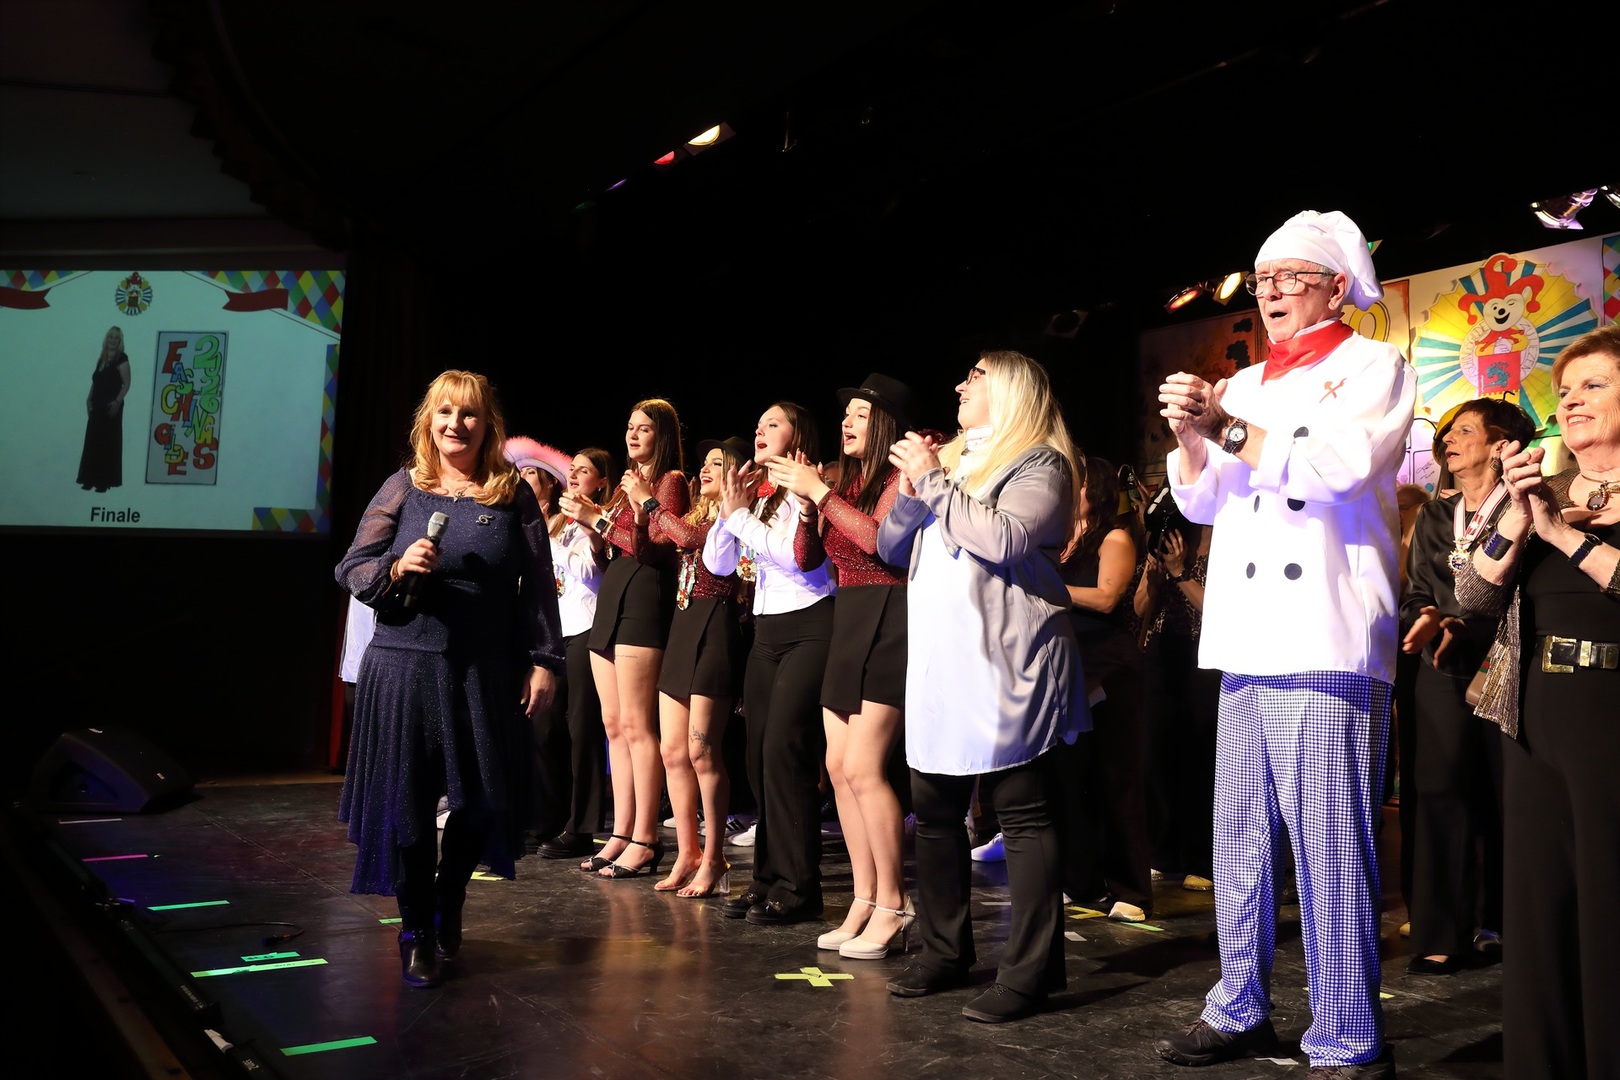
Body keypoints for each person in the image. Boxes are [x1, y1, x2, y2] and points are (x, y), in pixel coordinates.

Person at [1153, 210, 1416, 1077]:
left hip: (1324, 633)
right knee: (1238, 839)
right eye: (1262, 280)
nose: (1269, 293)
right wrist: (1191, 435)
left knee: (1330, 848)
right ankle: (1238, 1005)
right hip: (1246, 635)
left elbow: (1338, 470)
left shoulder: (1375, 366)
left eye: (1288, 278)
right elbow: (1201, 502)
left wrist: (1223, 427)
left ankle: (1347, 1036)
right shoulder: (1243, 383)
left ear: (1336, 287)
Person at [334, 370, 564, 988]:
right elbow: (352, 567)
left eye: (468, 414)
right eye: (444, 412)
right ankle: (415, 931)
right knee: (408, 804)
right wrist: (396, 564)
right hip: (403, 666)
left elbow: (539, 589)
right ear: (427, 421)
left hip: (483, 671)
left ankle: (449, 896)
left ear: (487, 425)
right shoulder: (403, 487)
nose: (454, 424)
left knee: (480, 800)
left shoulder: (511, 495)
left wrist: (545, 660)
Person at [877, 350, 1088, 1024]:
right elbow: (889, 546)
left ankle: (1030, 975)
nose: (959, 384)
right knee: (935, 811)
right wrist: (912, 490)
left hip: (1009, 659)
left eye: (975, 376)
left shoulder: (1040, 463)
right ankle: (944, 952)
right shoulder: (953, 460)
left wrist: (934, 483)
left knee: (1022, 813)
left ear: (1013, 389)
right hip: (944, 661)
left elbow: (1003, 539)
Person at [1455, 323, 1620, 1080]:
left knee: (1608, 904)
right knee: (1540, 908)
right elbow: (1473, 594)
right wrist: (1520, 522)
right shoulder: (1540, 494)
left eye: (1594, 385)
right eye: (1566, 390)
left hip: (1610, 716)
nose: (1573, 400)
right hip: (1534, 714)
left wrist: (1566, 537)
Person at [769, 373, 917, 959]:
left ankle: (895, 903)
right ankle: (864, 897)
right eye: (846, 414)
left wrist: (822, 495)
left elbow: (882, 543)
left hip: (889, 613)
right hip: (849, 617)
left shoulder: (899, 477)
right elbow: (810, 560)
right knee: (836, 767)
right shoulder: (845, 482)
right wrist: (810, 509)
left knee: (864, 767)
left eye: (860, 414)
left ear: (884, 424)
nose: (847, 423)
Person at [1398, 399, 1534, 973]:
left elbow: (1525, 590)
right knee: (1438, 792)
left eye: (1465, 430)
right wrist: (1427, 616)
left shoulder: (1528, 504)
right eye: (1448, 432)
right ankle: (1440, 932)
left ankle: (1503, 922)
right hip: (1443, 667)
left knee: (1510, 795)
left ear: (1501, 444)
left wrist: (1465, 621)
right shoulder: (1435, 515)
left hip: (1511, 664)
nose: (1449, 439)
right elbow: (1416, 592)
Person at [706, 402, 836, 927]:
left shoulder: (812, 486)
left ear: (798, 435)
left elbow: (801, 560)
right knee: (759, 755)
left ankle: (800, 887)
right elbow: (717, 564)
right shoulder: (756, 495)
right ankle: (766, 879)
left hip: (811, 624)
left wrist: (739, 518)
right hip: (766, 631)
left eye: (772, 424)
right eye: (757, 424)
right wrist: (727, 510)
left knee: (786, 749)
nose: (759, 431)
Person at [562, 400, 688, 878]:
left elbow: (653, 549)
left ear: (662, 434)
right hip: (612, 596)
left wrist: (601, 519)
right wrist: (592, 525)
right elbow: (610, 549)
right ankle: (621, 831)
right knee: (613, 725)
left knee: (637, 726)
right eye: (630, 427)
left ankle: (646, 838)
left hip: (643, 599)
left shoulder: (670, 482)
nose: (633, 435)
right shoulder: (623, 486)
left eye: (644, 429)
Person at [636, 435, 749, 898]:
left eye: (716, 464)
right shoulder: (694, 514)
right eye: (704, 462)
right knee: (672, 751)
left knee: (703, 752)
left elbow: (688, 541)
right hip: (683, 628)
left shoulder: (732, 518)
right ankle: (688, 852)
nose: (704, 469)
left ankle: (716, 856)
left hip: (715, 628)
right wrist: (640, 513)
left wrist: (649, 503)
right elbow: (655, 542)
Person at [508, 438, 612, 860]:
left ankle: (582, 828)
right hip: (548, 636)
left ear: (550, 484)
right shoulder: (528, 525)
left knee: (581, 730)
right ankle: (546, 819)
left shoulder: (583, 522)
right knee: (543, 729)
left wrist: (545, 541)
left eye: (531, 474)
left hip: (584, 630)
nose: (523, 479)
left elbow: (589, 571)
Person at [1058, 454, 1151, 922]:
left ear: (1091, 488)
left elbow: (1107, 597)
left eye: (1073, 482)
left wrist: (1048, 590)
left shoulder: (1114, 537)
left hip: (1108, 667)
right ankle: (1080, 881)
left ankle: (1131, 889)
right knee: (1071, 778)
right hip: (1068, 664)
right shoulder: (1060, 540)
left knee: (1116, 777)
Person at [1138, 517, 1219, 891]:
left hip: (1205, 654)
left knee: (1201, 758)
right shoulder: (1171, 535)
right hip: (1162, 651)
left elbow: (1218, 611)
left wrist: (1180, 572)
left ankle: (1201, 859)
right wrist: (1155, 581)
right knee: (1156, 754)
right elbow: (1139, 607)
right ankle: (1163, 853)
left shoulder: (1227, 537)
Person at [76, 326, 130, 493]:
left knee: (108, 443)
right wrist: (88, 398)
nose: (113, 340)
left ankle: (103, 482)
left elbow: (127, 383)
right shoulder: (102, 359)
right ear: (106, 339)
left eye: (116, 338)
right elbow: (96, 381)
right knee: (93, 442)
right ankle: (89, 479)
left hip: (110, 407)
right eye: (110, 337)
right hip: (97, 406)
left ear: (120, 341)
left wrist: (117, 401)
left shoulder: (122, 358)